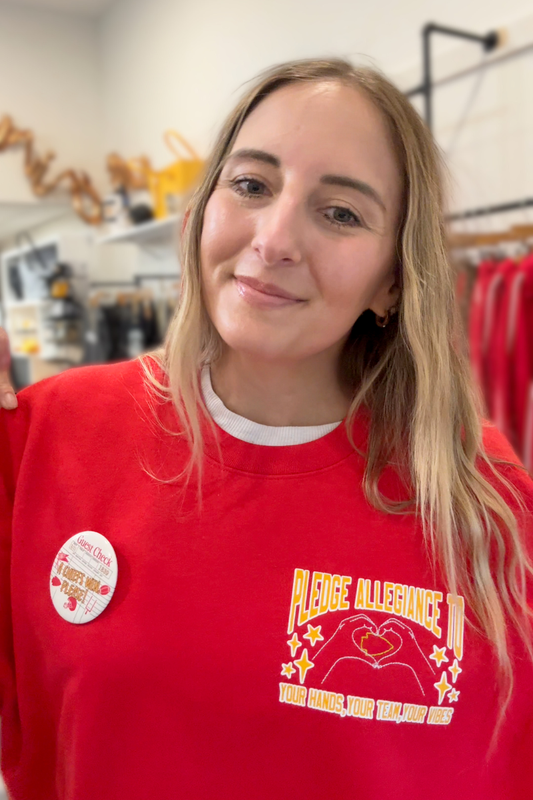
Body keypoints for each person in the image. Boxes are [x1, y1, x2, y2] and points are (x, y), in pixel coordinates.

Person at [1, 58, 532, 800]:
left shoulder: (485, 501)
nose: (274, 239)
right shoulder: (44, 439)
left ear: (390, 279)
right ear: (200, 217)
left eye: (340, 212)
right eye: (251, 185)